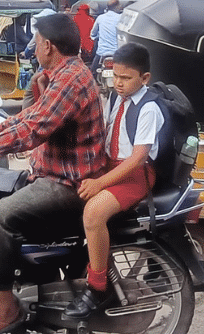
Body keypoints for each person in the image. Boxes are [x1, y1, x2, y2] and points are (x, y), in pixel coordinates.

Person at [0, 14, 108, 334]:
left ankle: (3, 307)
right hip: (51, 174)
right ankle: (26, 283)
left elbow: (32, 132)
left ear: (48, 46)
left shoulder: (70, 80)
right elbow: (26, 118)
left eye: (36, 42)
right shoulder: (58, 74)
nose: (33, 48)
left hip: (68, 184)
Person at [65, 42, 163, 319]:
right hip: (109, 167)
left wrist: (100, 183)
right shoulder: (116, 99)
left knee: (94, 213)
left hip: (134, 176)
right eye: (114, 76)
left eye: (125, 78)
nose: (118, 83)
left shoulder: (148, 109)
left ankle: (98, 287)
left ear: (144, 78)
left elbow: (138, 158)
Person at [89, 0, 122, 71]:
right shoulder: (120, 18)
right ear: (117, 7)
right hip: (116, 53)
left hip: (102, 52)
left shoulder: (100, 18)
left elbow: (93, 34)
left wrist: (96, 37)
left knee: (92, 72)